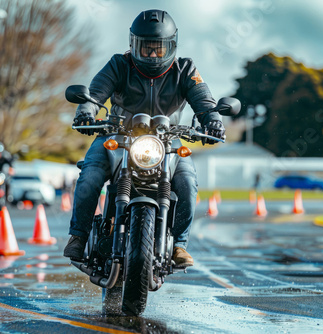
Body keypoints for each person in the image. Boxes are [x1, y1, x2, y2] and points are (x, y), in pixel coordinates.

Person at [63, 9, 226, 268]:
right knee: (90, 176)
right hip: (117, 136)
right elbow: (95, 93)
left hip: (168, 140)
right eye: (146, 48)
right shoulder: (119, 64)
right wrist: (85, 112)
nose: (151, 54)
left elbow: (204, 101)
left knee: (187, 182)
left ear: (171, 46)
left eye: (158, 49)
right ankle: (78, 237)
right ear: (133, 44)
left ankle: (180, 245)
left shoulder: (185, 69)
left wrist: (214, 122)